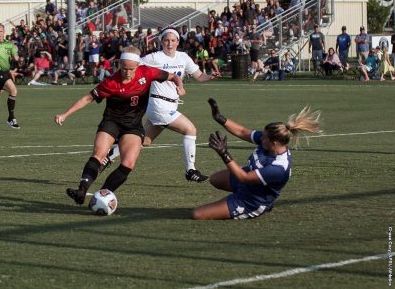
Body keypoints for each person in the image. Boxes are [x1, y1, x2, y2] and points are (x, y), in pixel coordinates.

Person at [54, 46, 184, 205]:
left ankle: (102, 195)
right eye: (124, 68)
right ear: (119, 65)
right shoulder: (111, 82)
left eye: (131, 69)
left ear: (138, 66)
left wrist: (180, 86)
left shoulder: (148, 72)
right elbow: (87, 98)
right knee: (99, 154)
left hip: (132, 126)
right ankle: (81, 190)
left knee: (128, 163)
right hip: (112, 121)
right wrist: (65, 114)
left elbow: (173, 76)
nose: (127, 72)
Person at [101, 29, 220, 182]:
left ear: (178, 42)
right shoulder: (154, 57)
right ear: (161, 42)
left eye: (173, 40)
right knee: (190, 129)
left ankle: (109, 156)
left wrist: (210, 76)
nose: (169, 44)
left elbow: (199, 76)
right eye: (166, 40)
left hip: (170, 105)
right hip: (158, 105)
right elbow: (134, 66)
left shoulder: (183, 57)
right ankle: (191, 170)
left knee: (144, 141)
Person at [192, 99, 322, 220]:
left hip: (251, 200)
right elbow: (243, 131)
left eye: (264, 137)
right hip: (246, 183)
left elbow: (245, 177)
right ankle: (235, 197)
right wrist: (220, 118)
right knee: (215, 179)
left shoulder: (278, 167)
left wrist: (224, 154)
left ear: (274, 143)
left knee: (197, 214)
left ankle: (260, 207)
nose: (261, 138)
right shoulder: (269, 142)